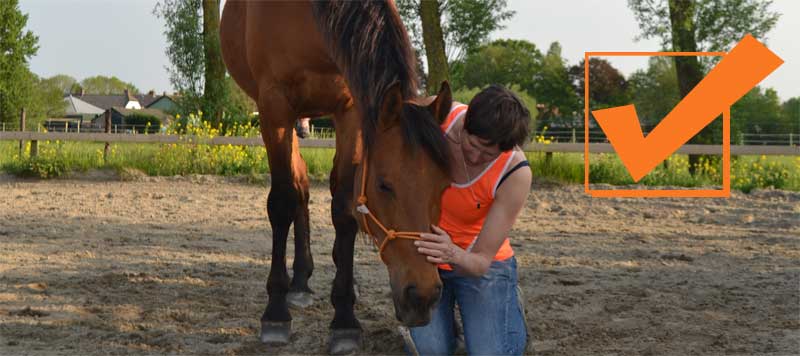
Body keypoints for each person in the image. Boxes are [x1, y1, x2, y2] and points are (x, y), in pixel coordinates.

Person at [409, 84, 531, 355]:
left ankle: (510, 308)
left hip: (478, 263)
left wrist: (451, 251)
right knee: (432, 352)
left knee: (490, 352)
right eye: (472, 144)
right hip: (428, 256)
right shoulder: (436, 115)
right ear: (465, 124)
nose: (475, 157)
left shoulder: (515, 173)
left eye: (488, 155)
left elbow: (480, 262)